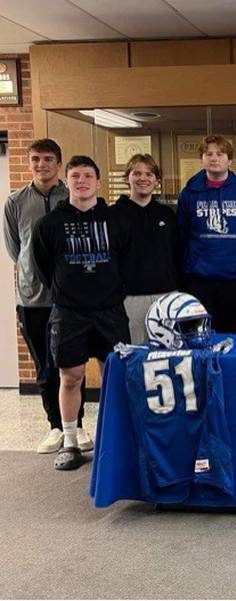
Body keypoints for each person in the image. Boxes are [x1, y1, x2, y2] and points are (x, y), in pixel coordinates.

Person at [32, 155, 131, 471]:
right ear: (67, 180)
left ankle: (111, 439)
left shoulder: (116, 220)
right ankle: (71, 441)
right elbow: (45, 267)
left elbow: (126, 263)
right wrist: (71, 291)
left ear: (98, 182)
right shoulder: (49, 224)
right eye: (75, 176)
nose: (82, 181)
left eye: (88, 176)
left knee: (113, 375)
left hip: (110, 312)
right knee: (70, 377)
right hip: (70, 313)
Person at [3, 139, 90, 454]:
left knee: (71, 364)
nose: (42, 165)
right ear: (29, 163)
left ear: (59, 163)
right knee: (45, 366)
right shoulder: (14, 202)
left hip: (70, 298)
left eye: (48, 159)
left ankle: (77, 425)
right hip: (33, 300)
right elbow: (17, 249)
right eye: (36, 159)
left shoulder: (73, 197)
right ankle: (55, 426)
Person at [176, 135, 236, 333]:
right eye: (208, 154)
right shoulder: (189, 193)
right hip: (199, 281)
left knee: (234, 337)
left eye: (220, 154)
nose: (214, 158)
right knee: (198, 337)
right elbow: (182, 234)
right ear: (202, 159)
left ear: (230, 160)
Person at [110, 154, 181, 344]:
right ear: (127, 178)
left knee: (168, 355)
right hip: (130, 299)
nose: (143, 178)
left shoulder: (167, 214)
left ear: (157, 181)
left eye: (149, 174)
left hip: (166, 296)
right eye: (137, 173)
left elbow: (177, 254)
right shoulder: (113, 215)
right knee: (134, 355)